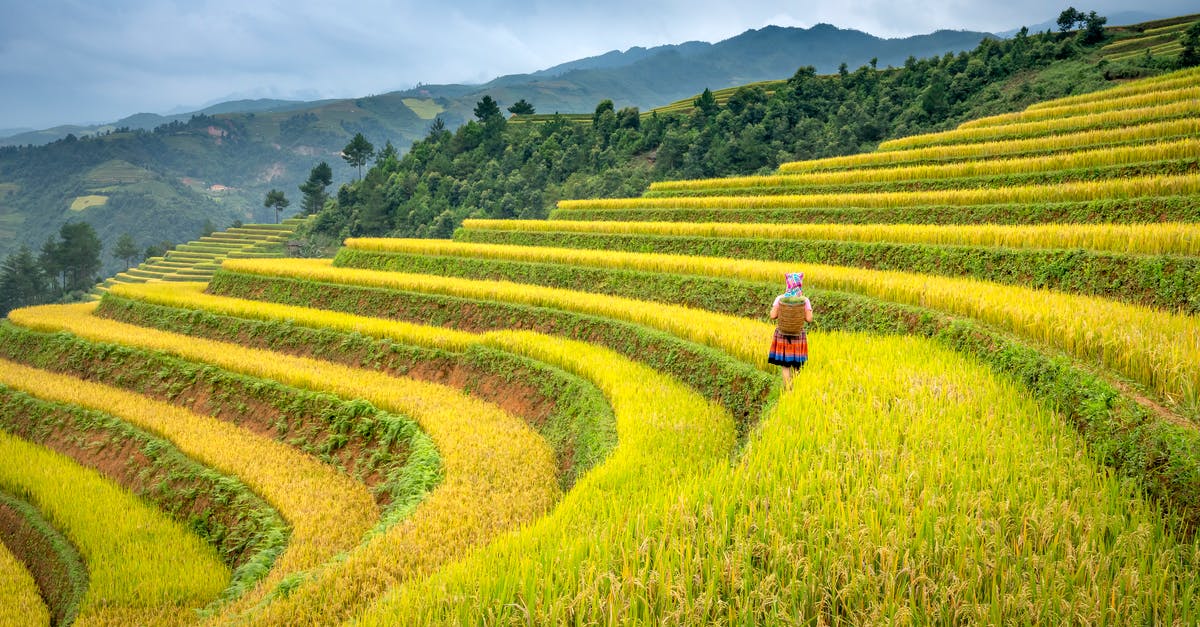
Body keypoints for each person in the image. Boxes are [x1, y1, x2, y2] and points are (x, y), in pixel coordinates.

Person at [768, 271, 812, 392]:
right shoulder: (804, 300)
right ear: (799, 284)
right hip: (798, 335)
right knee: (797, 365)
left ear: (788, 284)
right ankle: (797, 389)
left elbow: (772, 315)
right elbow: (809, 319)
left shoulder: (780, 298)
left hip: (783, 334)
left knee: (786, 366)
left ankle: (788, 390)